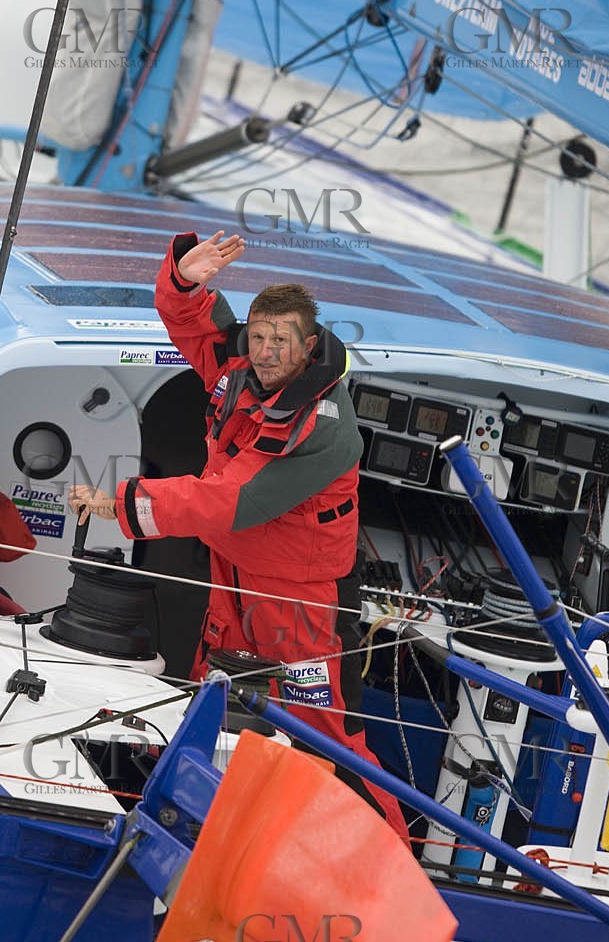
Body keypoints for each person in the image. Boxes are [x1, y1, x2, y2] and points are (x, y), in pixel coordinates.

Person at [70, 229, 409, 843]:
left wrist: (121, 502)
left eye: (281, 341)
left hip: (302, 607)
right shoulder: (241, 369)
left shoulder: (322, 427)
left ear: (310, 347)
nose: (265, 351)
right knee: (219, 713)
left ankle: (394, 867)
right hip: (232, 581)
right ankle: (212, 842)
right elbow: (196, 324)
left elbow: (231, 501)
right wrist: (184, 279)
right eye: (257, 337)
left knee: (327, 746)